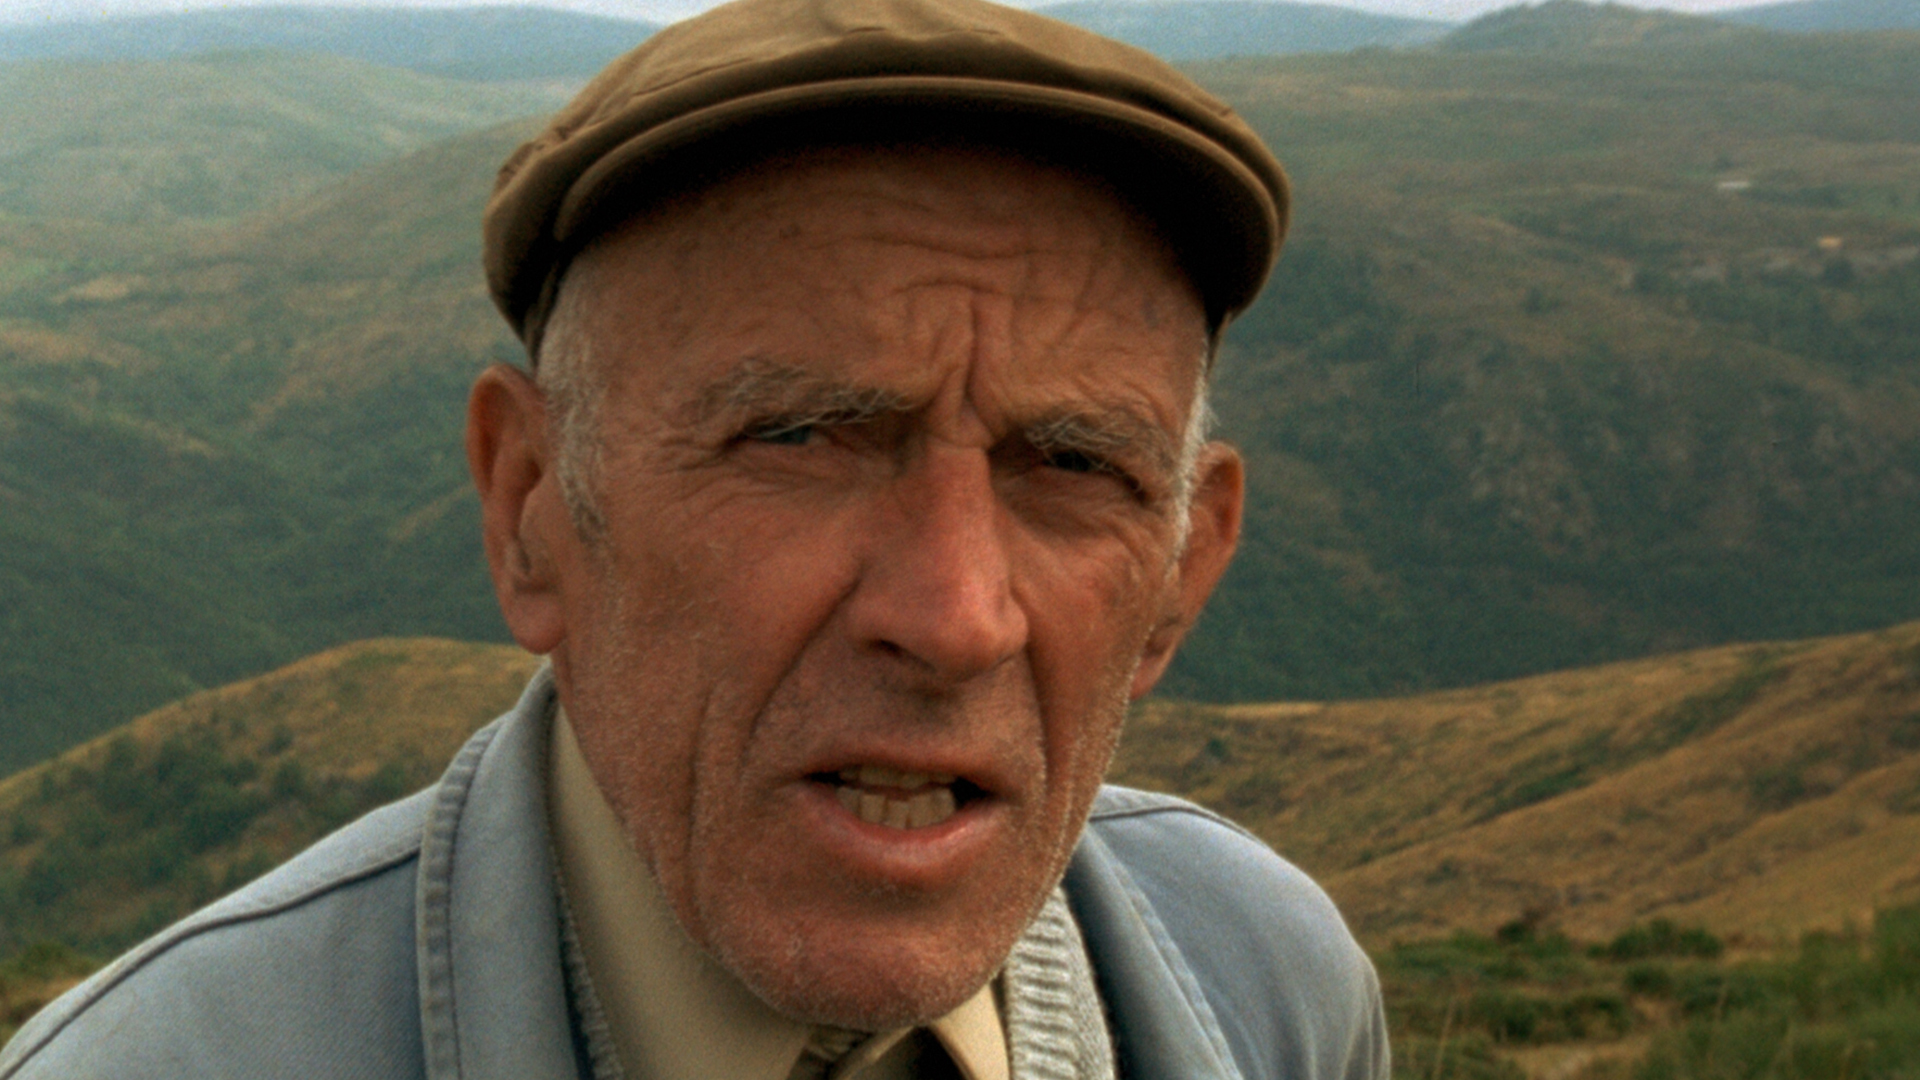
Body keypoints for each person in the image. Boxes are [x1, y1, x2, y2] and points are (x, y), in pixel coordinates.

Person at [0, 0, 1389, 1076]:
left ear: (1179, 575)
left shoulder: (1276, 985)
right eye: (803, 437)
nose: (956, 616)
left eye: (1076, 465)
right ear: (531, 506)